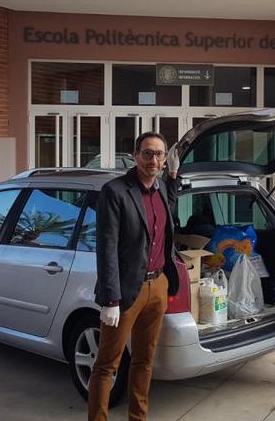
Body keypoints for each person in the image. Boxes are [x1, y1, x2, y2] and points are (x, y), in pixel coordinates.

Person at [88, 132, 181, 421]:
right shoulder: (115, 191)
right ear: (134, 154)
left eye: (159, 154)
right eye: (147, 153)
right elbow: (106, 248)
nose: (153, 160)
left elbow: (168, 220)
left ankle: (137, 418)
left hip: (158, 286)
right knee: (106, 365)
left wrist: (175, 176)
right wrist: (110, 299)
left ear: (165, 159)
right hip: (127, 292)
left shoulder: (163, 187)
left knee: (144, 360)